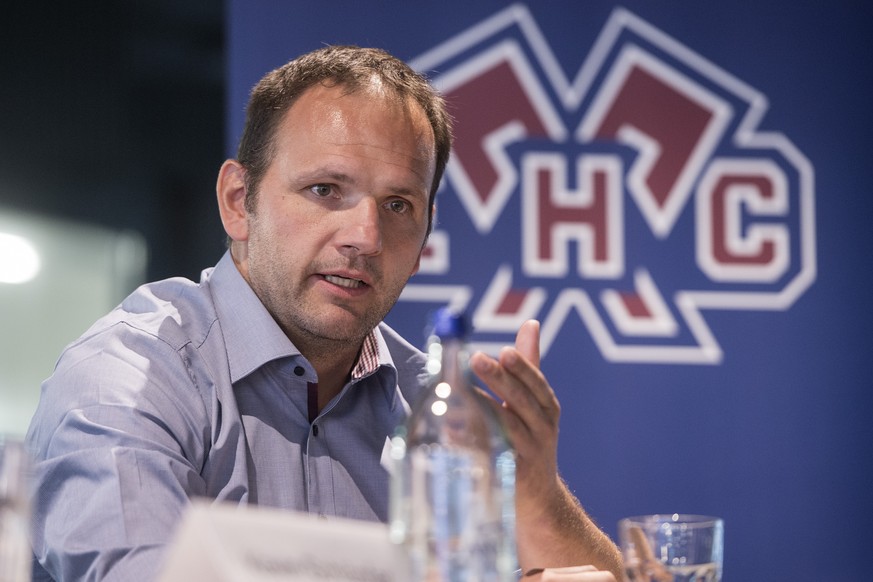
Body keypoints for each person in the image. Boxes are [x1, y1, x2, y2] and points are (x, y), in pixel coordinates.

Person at [25, 45, 623, 581]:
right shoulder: (126, 378)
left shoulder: (435, 412)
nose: (365, 236)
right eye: (325, 191)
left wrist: (534, 494)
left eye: (398, 204)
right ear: (239, 203)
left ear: (422, 246)